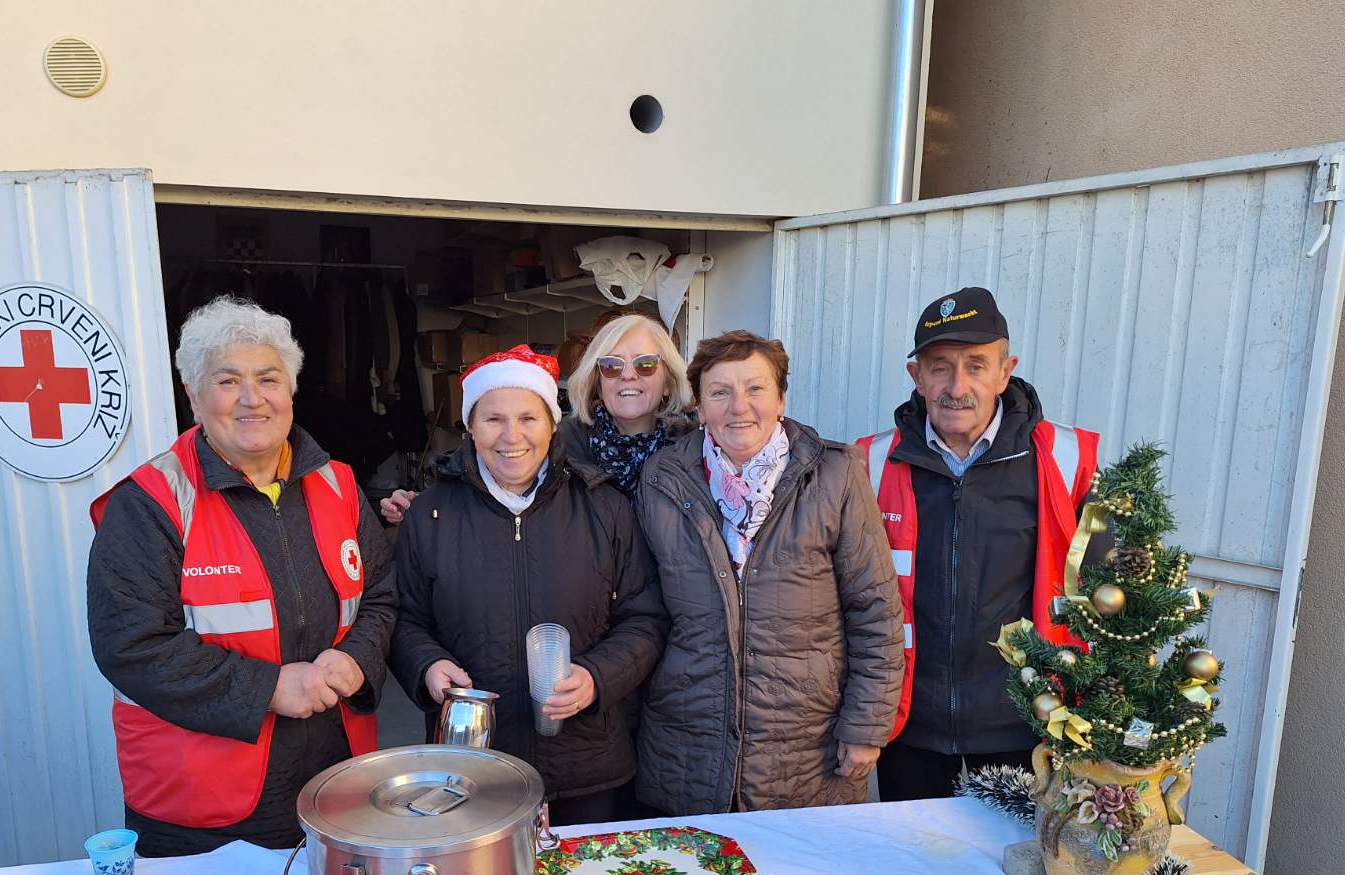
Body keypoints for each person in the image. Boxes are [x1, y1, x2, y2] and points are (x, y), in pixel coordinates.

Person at [88, 296, 396, 856]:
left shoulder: (339, 485)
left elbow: (380, 596)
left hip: (335, 778)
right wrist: (267, 688)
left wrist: (357, 659)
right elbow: (131, 645)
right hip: (201, 801)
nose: (253, 399)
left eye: (269, 379)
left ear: (291, 391)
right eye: (228, 381)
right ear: (193, 396)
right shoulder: (151, 502)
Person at [387, 345, 667, 825]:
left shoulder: (604, 508)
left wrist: (597, 678)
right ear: (471, 428)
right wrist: (427, 664)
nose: (511, 436)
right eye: (493, 419)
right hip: (472, 768)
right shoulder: (429, 514)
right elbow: (403, 617)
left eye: (528, 418)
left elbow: (645, 618)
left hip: (587, 765)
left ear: (551, 424)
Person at [634, 330, 903, 814]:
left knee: (797, 863)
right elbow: (643, 612)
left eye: (755, 388)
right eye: (720, 392)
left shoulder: (836, 474)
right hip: (689, 741)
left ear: (780, 399)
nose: (739, 407)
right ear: (700, 407)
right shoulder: (661, 479)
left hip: (806, 747)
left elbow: (875, 610)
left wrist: (866, 726)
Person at [856, 286, 1100, 803]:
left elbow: (1106, 596)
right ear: (916, 376)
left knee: (1014, 855)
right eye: (940, 367)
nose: (956, 386)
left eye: (976, 366)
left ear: (1005, 372)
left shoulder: (1065, 460)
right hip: (909, 724)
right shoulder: (870, 463)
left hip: (1025, 722)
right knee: (913, 853)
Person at [379, 312, 694, 523]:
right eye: (611, 365)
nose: (628, 375)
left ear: (668, 381)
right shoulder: (559, 440)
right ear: (597, 381)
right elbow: (479, 467)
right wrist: (426, 504)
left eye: (646, 364)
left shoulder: (694, 451)